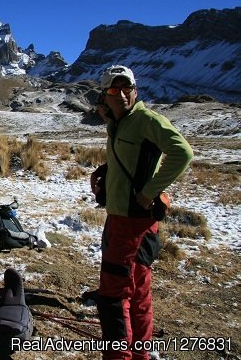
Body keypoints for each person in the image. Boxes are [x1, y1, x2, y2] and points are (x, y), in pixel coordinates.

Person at [92, 65, 193, 360]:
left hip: (129, 224)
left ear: (136, 91)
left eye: (127, 88)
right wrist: (104, 171)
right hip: (134, 222)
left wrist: (150, 191)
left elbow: (182, 152)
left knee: (113, 296)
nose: (121, 94)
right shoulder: (121, 121)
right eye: (114, 89)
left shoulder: (146, 120)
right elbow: (131, 157)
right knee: (137, 295)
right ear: (105, 96)